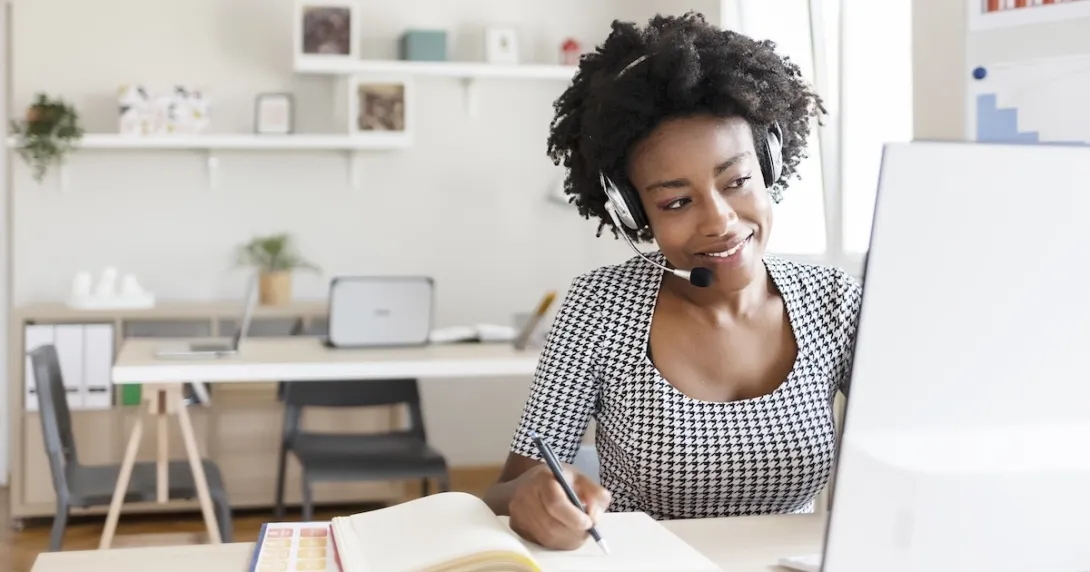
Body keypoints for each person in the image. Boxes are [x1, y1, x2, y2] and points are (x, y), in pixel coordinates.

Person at [482, 11, 863, 551]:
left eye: (736, 181)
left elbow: (915, 447)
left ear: (770, 165)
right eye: (677, 201)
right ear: (634, 213)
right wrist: (536, 497)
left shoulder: (834, 301)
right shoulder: (599, 307)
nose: (719, 221)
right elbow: (506, 490)